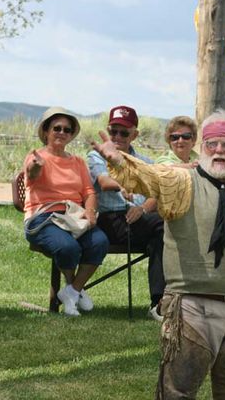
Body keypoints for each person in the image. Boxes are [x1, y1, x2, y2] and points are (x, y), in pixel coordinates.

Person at [92, 110, 225, 399]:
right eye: (212, 144)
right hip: (192, 312)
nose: (219, 150)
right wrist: (118, 159)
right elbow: (149, 178)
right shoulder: (182, 183)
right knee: (177, 393)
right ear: (203, 147)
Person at [23, 107, 109, 317]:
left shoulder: (78, 161)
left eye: (67, 130)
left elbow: (89, 191)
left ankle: (72, 291)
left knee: (100, 242)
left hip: (73, 216)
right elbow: (31, 174)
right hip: (43, 217)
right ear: (46, 132)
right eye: (57, 128)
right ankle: (74, 291)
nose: (62, 133)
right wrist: (36, 167)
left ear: (71, 135)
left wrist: (90, 212)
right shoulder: (35, 157)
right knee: (67, 247)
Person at [87, 105, 165, 321]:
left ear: (135, 135)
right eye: (113, 131)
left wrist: (142, 209)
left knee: (163, 233)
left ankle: (160, 302)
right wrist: (125, 183)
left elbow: (155, 194)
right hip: (111, 219)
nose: (117, 137)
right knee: (162, 228)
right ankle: (161, 302)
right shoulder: (96, 155)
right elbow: (103, 182)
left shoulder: (145, 162)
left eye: (124, 132)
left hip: (141, 219)